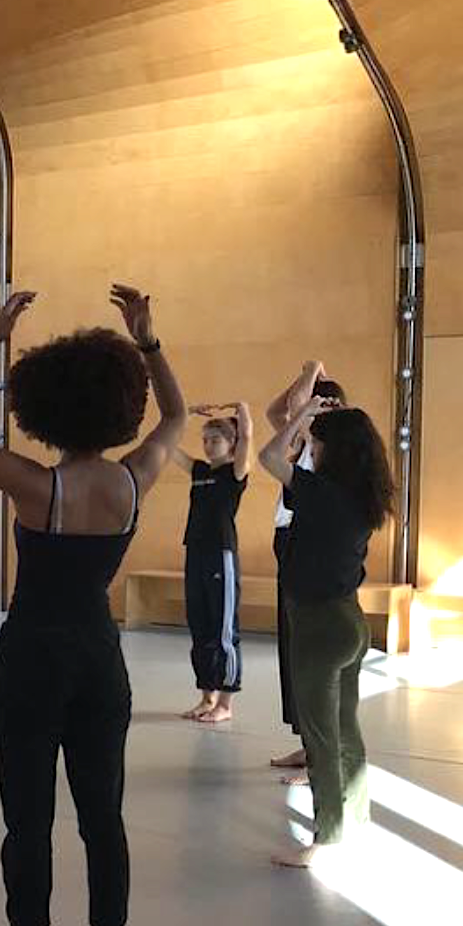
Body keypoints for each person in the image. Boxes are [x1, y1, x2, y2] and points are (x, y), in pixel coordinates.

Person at [0, 283, 187, 926]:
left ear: (45, 409)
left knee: (29, 822)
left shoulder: (35, 487)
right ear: (119, 405)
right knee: (104, 818)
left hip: (31, 660)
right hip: (100, 660)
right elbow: (175, 416)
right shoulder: (133, 480)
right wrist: (147, 339)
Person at [258, 392, 394, 868]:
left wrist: (302, 414)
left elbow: (268, 456)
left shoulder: (323, 494)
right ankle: (356, 818)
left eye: (315, 447)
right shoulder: (361, 496)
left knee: (320, 737)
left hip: (318, 627)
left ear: (333, 452)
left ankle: (327, 837)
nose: (310, 453)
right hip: (349, 623)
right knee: (345, 729)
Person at [264, 362, 348, 780]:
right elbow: (274, 410)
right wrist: (307, 383)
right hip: (287, 546)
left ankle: (322, 756)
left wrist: (314, 372)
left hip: (311, 549)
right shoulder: (299, 441)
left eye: (324, 406)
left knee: (314, 656)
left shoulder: (339, 453)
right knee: (293, 651)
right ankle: (307, 742)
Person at [170, 402, 251, 723]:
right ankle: (207, 697)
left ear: (230, 444)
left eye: (215, 440)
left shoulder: (235, 473)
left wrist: (243, 412)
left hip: (221, 553)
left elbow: (247, 438)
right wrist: (185, 415)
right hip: (195, 551)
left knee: (223, 630)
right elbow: (166, 446)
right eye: (205, 440)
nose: (207, 445)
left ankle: (226, 703)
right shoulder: (199, 471)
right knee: (200, 626)